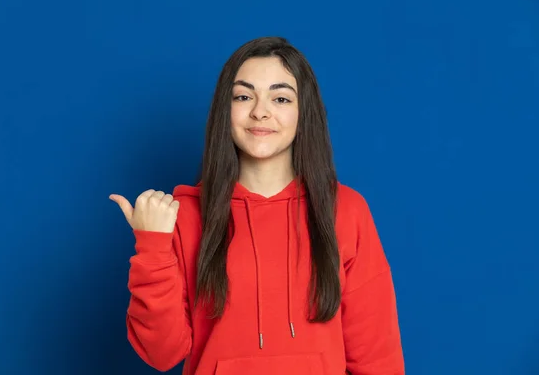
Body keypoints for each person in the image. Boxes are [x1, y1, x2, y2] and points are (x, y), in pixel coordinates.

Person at [109, 36, 405, 375]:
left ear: (303, 112)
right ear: (226, 108)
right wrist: (152, 249)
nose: (260, 111)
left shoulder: (345, 210)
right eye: (243, 96)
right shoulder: (183, 214)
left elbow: (377, 359)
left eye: (280, 98)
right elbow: (161, 353)